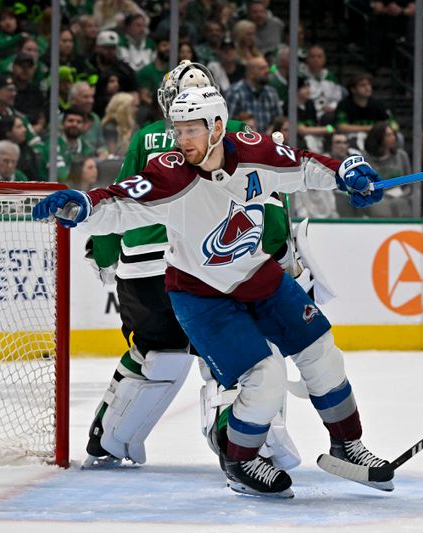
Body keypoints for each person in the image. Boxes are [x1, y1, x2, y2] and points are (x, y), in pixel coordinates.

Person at [33, 85, 391, 498]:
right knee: (265, 377)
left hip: (258, 277)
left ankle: (347, 444)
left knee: (322, 351)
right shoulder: (171, 173)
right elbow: (119, 201)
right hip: (201, 295)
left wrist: (346, 173)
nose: (182, 140)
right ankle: (241, 461)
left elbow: (305, 166)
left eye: (192, 130)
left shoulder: (253, 150)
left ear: (218, 126)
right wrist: (83, 205)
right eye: (178, 130)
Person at [83, 61, 303, 475]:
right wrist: (280, 253)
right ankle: (239, 444)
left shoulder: (147, 135)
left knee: (154, 352)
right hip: (207, 269)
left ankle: (109, 436)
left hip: (141, 274)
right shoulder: (234, 130)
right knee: (230, 357)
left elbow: (119, 198)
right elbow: (269, 199)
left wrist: (106, 253)